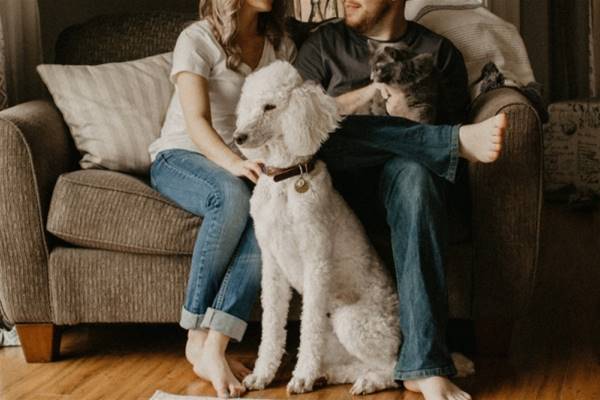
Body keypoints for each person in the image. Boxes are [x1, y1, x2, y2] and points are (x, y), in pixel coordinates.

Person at [293, 1, 507, 399]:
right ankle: (449, 143)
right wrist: (368, 98)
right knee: (322, 131)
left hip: (406, 187)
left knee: (416, 174)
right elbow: (299, 127)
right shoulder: (322, 45)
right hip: (338, 186)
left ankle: (423, 366)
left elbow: (446, 170)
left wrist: (413, 126)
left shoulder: (438, 53)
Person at [147, 1, 296, 397]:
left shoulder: (279, 45)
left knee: (271, 217)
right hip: (181, 156)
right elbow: (195, 120)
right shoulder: (196, 39)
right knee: (231, 197)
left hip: (246, 161)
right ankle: (196, 338)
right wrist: (233, 162)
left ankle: (215, 344)